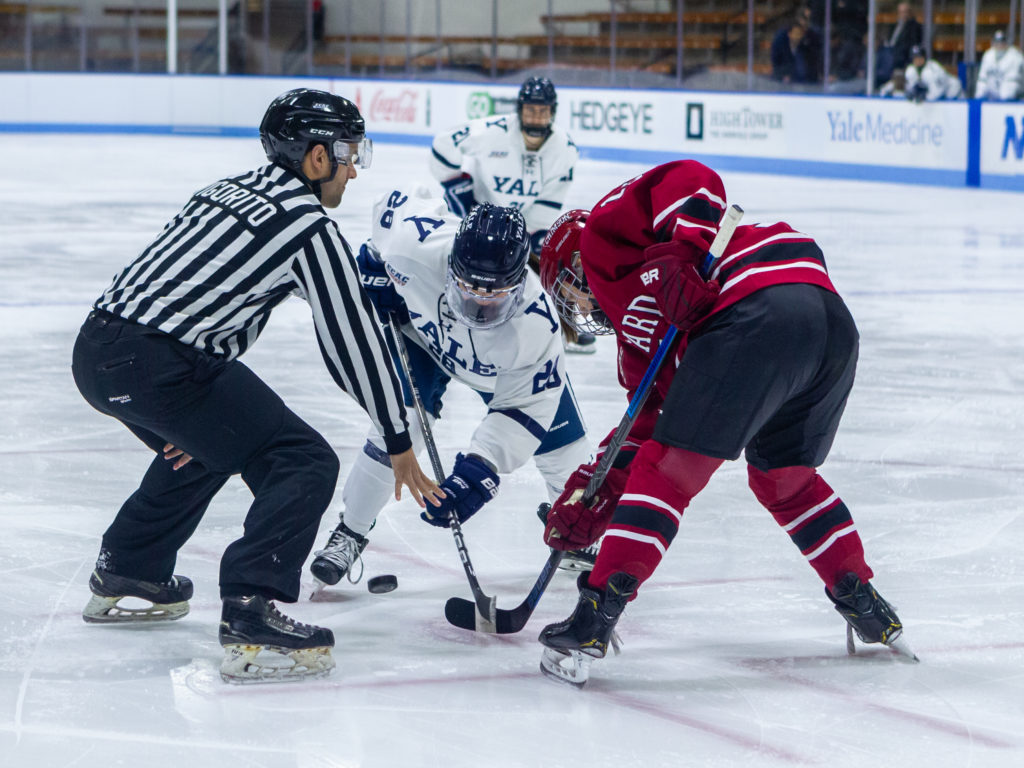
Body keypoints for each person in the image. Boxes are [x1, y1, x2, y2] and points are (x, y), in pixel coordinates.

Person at [71, 88, 440, 684]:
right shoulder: (309, 226)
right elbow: (351, 341)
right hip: (165, 364)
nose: (353, 167)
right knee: (302, 459)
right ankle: (250, 608)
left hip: (97, 349)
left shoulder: (228, 188)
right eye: (348, 152)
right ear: (315, 158)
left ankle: (131, 567)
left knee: (204, 446)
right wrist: (397, 435)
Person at [534, 160, 910, 687]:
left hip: (757, 307)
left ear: (573, 266)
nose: (574, 304)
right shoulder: (633, 350)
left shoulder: (601, 236)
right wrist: (592, 499)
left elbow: (688, 177)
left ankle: (592, 621)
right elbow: (642, 429)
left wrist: (677, 255)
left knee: (666, 475)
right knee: (785, 478)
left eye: (566, 290)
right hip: (824, 327)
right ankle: (864, 602)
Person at [309, 194, 595, 590]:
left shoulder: (536, 326)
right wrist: (375, 264)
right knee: (399, 428)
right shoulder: (415, 248)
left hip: (500, 377)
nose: (478, 304)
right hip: (425, 342)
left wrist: (481, 466)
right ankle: (351, 531)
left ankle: (578, 535)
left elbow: (523, 409)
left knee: (567, 454)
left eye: (493, 295)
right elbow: (396, 206)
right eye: (467, 288)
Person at [428, 76, 595, 355]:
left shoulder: (565, 150)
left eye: (543, 111)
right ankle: (450, 312)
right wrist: (457, 185)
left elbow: (547, 202)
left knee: (555, 259)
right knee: (464, 262)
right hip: (477, 214)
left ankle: (558, 323)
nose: (536, 117)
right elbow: (443, 144)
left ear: (552, 113)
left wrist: (531, 242)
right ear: (519, 110)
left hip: (522, 222)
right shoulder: (492, 131)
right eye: (531, 109)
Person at [876, 2, 923, 84]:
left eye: (905, 12)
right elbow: (889, 39)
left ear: (910, 13)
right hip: (888, 50)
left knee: (888, 59)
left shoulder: (914, 26)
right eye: (900, 12)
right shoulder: (894, 25)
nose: (903, 14)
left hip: (901, 54)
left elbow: (913, 43)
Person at [976, 30, 1024, 101]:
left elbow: (1014, 79)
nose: (999, 44)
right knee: (982, 85)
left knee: (1008, 87)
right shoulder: (988, 55)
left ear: (1007, 42)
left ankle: (1005, 106)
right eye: (996, 42)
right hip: (996, 87)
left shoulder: (1016, 56)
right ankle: (978, 107)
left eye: (1002, 42)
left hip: (1016, 91)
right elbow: (982, 77)